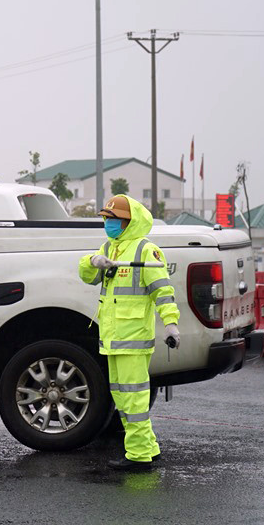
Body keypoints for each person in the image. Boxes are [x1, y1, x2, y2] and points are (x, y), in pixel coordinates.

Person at [79, 195, 180, 471]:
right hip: (112, 338)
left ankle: (137, 456)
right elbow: (86, 275)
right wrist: (93, 261)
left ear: (128, 221)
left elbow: (163, 290)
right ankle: (148, 447)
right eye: (106, 219)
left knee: (134, 397)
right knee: (122, 395)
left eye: (112, 220)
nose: (107, 224)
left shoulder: (146, 250)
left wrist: (170, 322)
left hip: (133, 338)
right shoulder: (109, 248)